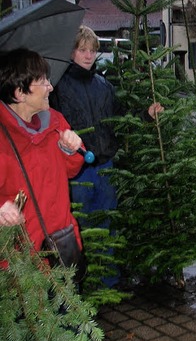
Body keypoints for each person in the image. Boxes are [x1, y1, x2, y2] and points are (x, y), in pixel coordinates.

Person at [0, 48, 96, 341]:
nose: (50, 87)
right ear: (19, 91)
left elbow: (70, 169)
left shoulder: (55, 121)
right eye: (41, 80)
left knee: (76, 339)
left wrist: (71, 150)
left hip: (63, 248)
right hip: (21, 265)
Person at [49, 26, 163, 286]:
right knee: (82, 226)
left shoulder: (104, 85)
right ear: (71, 51)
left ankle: (108, 281)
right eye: (82, 50)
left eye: (92, 50)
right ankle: (83, 282)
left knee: (107, 222)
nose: (88, 55)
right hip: (77, 171)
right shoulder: (57, 87)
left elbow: (121, 119)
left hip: (106, 167)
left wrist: (146, 116)